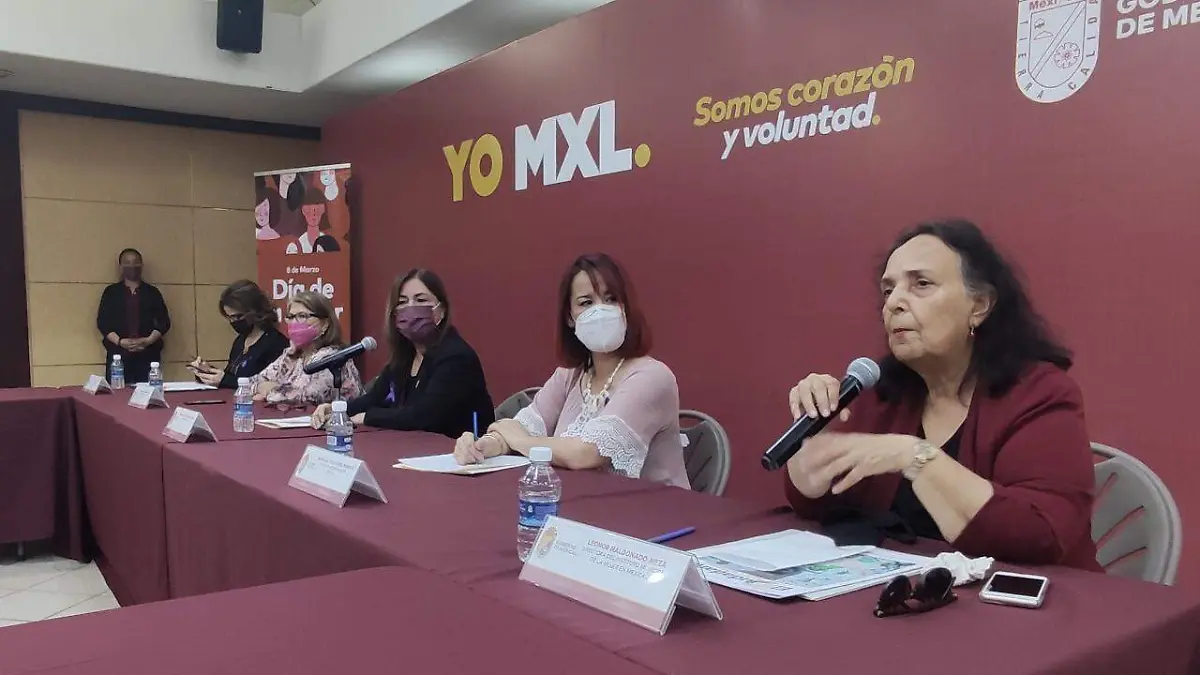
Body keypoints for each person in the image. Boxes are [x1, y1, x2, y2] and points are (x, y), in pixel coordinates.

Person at [784, 219, 1099, 570]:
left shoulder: (1041, 393)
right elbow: (822, 504)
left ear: (979, 305)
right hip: (906, 589)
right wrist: (813, 445)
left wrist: (914, 456)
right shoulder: (881, 393)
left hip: (1026, 597)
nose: (894, 303)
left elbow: (1041, 533)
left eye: (921, 284)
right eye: (888, 290)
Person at [453, 253, 689, 488]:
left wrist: (518, 439)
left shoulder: (652, 377)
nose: (600, 310)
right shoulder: (570, 375)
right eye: (586, 303)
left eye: (611, 299)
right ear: (570, 317)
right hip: (582, 502)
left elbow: (586, 454)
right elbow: (520, 427)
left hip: (650, 508)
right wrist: (484, 445)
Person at [311, 269, 493, 435]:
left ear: (442, 311)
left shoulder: (456, 357)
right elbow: (374, 398)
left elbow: (424, 416)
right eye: (402, 302)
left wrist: (367, 417)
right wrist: (337, 409)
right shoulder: (405, 357)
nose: (410, 308)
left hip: (460, 452)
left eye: (421, 300)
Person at [250, 291, 362, 406]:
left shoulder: (331, 357)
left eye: (302, 316)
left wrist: (270, 389)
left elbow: (304, 398)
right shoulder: (293, 355)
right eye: (291, 317)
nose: (294, 322)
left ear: (325, 324)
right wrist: (262, 387)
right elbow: (251, 382)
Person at [188, 280, 289, 388]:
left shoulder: (276, 343)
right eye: (229, 317)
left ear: (255, 310)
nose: (233, 322)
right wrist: (207, 372)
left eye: (238, 316)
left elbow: (271, 385)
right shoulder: (240, 341)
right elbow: (231, 377)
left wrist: (225, 380)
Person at [96, 248, 171, 384]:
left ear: (141, 265)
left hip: (148, 355)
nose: (132, 266)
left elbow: (164, 322)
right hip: (118, 356)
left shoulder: (152, 292)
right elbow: (103, 322)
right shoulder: (111, 292)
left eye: (136, 262)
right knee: (118, 393)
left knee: (149, 392)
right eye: (127, 263)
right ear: (120, 266)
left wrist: (147, 341)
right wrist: (120, 342)